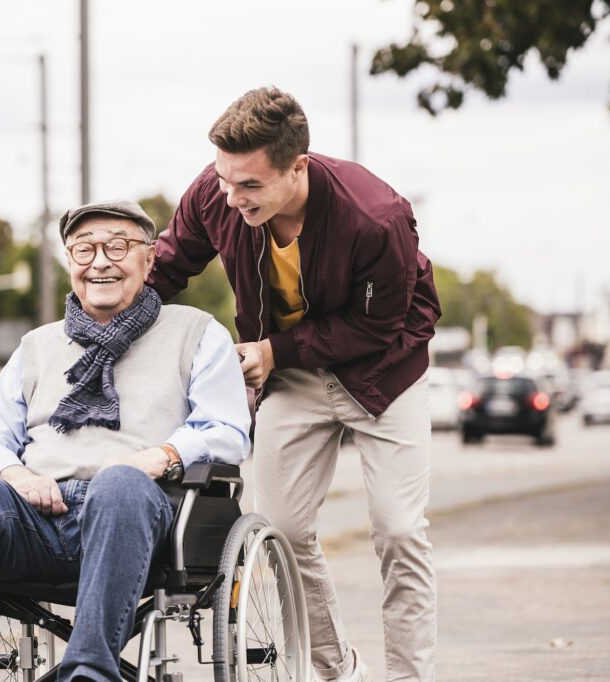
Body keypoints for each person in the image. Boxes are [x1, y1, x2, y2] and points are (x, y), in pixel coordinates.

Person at [147, 86, 442, 681]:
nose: (232, 198)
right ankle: (336, 670)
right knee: (278, 528)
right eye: (226, 180)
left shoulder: (375, 217)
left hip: (385, 373)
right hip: (293, 375)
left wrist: (272, 350)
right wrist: (104, 316)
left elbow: (379, 325)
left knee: (400, 530)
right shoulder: (217, 193)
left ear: (297, 166)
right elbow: (167, 265)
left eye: (250, 186)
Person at [0, 200, 251, 681]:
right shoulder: (37, 346)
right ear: (70, 262)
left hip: (142, 515)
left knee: (119, 484)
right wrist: (15, 474)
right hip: (39, 518)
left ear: (148, 258)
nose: (100, 261)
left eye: (117, 246)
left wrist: (159, 457)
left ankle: (90, 675)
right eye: (84, 249)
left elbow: (226, 430)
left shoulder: (195, 332)